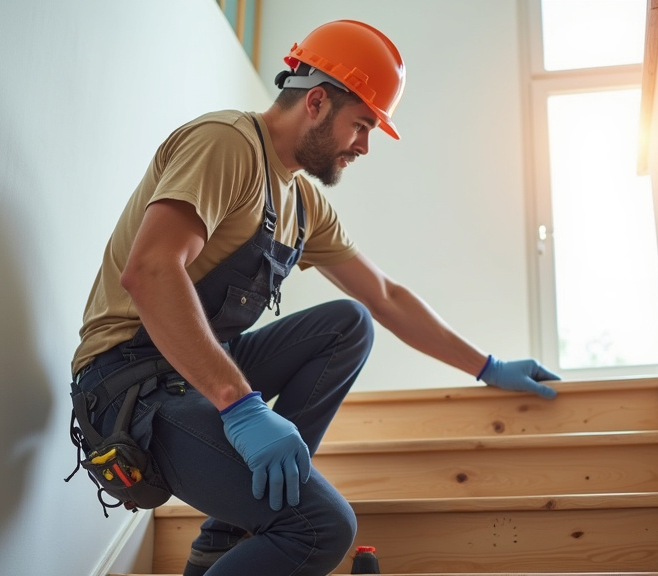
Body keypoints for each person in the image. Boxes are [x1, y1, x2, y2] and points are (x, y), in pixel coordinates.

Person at [68, 19, 560, 576]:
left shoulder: (303, 203)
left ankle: (226, 533)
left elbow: (385, 296)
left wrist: (487, 367)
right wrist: (241, 405)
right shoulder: (227, 143)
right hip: (127, 381)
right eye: (362, 125)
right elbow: (152, 271)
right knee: (322, 527)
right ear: (318, 102)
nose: (365, 146)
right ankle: (244, 518)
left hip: (193, 372)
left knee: (348, 324)